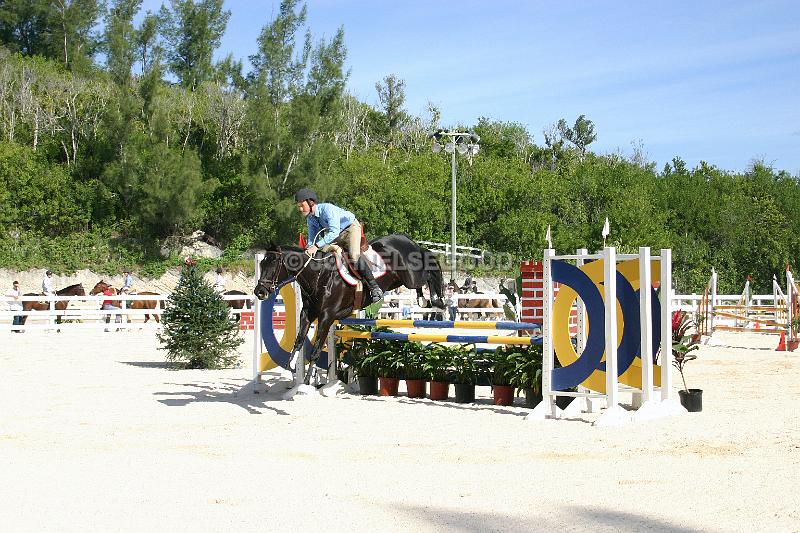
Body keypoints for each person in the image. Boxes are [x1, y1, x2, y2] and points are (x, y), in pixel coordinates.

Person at [295, 188, 383, 303]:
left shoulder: (327, 209)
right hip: (337, 235)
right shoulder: (311, 219)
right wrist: (308, 250)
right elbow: (313, 239)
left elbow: (333, 233)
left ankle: (375, 288)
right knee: (322, 254)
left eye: (302, 205)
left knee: (354, 255)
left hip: (350, 229)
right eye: (299, 206)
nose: (300, 209)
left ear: (310, 202)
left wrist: (316, 246)